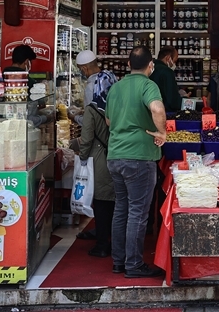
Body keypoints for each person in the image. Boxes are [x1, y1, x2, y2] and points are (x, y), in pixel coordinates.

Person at [105, 46, 167, 279]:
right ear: (150, 65)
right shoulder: (148, 85)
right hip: (139, 157)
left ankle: (118, 262)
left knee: (121, 209)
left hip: (115, 155)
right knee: (138, 212)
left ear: (128, 63)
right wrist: (162, 132)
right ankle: (133, 264)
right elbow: (157, 108)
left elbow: (110, 121)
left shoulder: (115, 87)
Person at [69, 95, 114, 258]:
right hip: (117, 155)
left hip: (99, 159)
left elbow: (86, 138)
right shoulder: (118, 102)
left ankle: (102, 245)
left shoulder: (92, 108)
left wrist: (82, 158)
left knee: (101, 203)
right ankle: (116, 244)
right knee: (116, 204)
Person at [3, 44, 51, 127]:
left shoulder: (0, 77)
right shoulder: (28, 81)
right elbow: (41, 101)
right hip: (24, 125)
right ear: (26, 62)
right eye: (30, 62)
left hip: (4, 121)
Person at [149, 46, 182, 113]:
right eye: (174, 61)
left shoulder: (149, 69)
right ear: (168, 58)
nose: (174, 64)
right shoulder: (167, 72)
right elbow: (172, 100)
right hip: (165, 112)